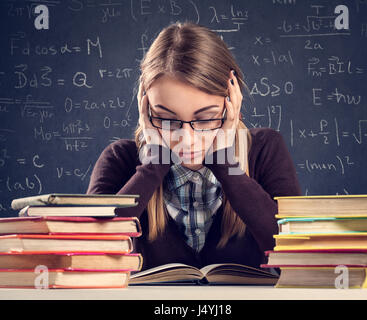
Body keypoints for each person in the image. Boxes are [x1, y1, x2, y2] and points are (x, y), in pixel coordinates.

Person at [86, 21, 301, 271]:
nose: (186, 139)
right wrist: (153, 164)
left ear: (232, 102)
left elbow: (294, 251)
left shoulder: (265, 150)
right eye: (166, 119)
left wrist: (225, 164)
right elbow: (92, 250)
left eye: (206, 118)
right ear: (145, 108)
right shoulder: (119, 160)